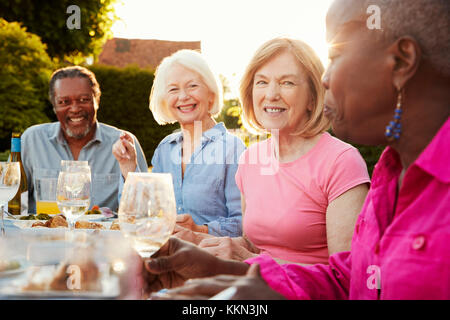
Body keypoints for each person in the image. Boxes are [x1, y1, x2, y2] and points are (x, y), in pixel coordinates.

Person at [142, 0, 450, 300]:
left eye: (336, 56)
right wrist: (216, 265)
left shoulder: (345, 161)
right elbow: (351, 281)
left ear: (401, 61)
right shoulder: (391, 172)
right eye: (261, 82)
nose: (326, 79)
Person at [197, 38, 370, 265]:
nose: (271, 94)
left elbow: (347, 277)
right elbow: (257, 246)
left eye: (287, 83)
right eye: (261, 82)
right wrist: (197, 240)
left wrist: (252, 262)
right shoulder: (250, 159)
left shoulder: (342, 161)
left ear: (312, 97)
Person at [113, 49, 246, 238]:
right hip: (166, 257)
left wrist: (200, 230)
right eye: (173, 89)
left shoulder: (233, 149)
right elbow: (141, 216)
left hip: (213, 261)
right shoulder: (165, 149)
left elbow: (246, 224)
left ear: (211, 93)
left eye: (192, 86)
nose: (183, 96)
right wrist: (128, 168)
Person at [22, 66, 148, 213]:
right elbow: (13, 203)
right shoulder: (32, 140)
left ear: (97, 101)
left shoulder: (124, 143)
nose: (75, 108)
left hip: (102, 235)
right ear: (54, 106)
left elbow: (143, 208)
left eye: (84, 99)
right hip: (40, 235)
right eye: (64, 102)